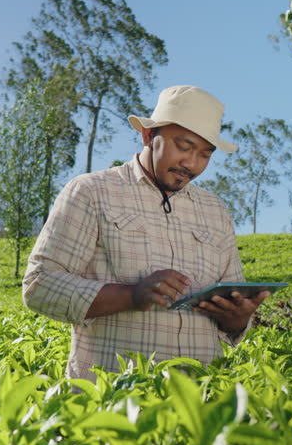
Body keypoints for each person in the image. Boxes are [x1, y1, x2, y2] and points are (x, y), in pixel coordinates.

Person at [22, 85, 271, 381]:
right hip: (112, 402)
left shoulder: (216, 212)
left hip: (199, 405)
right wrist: (130, 295)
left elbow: (234, 303)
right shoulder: (92, 192)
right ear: (148, 136)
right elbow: (40, 285)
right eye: (184, 146)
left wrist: (238, 319)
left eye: (205, 154)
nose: (191, 164)